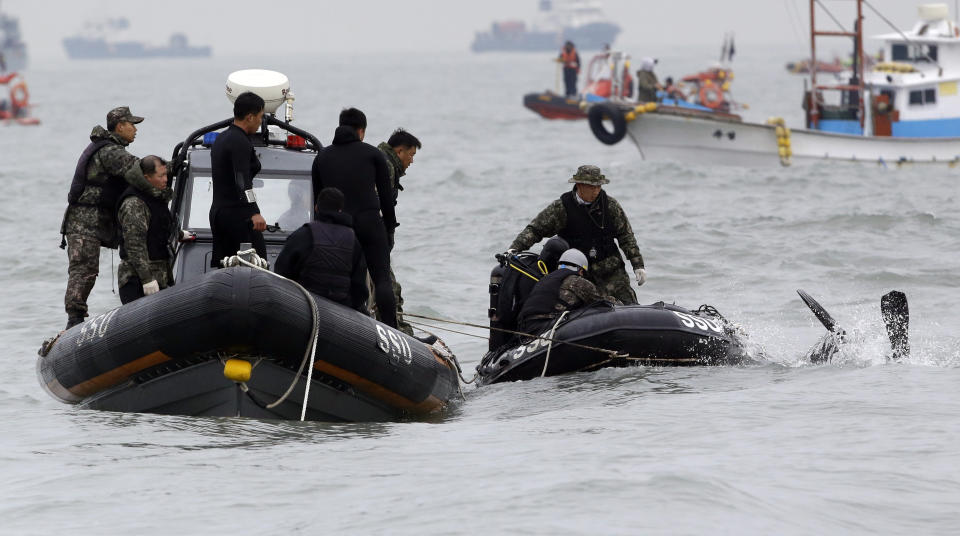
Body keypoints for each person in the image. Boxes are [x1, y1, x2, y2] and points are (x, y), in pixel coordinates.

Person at [60, 106, 164, 329]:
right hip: (84, 221)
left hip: (93, 219)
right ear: (120, 126)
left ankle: (76, 316)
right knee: (84, 269)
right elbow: (140, 170)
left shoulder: (108, 148)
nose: (135, 129)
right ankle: (74, 319)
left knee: (86, 268)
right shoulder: (110, 152)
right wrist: (168, 171)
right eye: (132, 124)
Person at [508, 165, 646, 305]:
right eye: (592, 187)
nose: (596, 190)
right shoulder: (561, 208)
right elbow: (535, 229)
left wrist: (638, 265)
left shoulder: (611, 206)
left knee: (630, 306)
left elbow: (626, 237)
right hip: (580, 275)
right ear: (580, 185)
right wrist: (515, 248)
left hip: (612, 273)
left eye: (599, 186)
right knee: (584, 312)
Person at [311, 107, 398, 328]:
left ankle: (346, 328)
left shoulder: (322, 157)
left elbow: (318, 202)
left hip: (338, 229)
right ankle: (394, 332)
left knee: (345, 281)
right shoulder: (373, 154)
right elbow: (387, 200)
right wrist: (388, 230)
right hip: (370, 223)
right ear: (361, 131)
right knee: (381, 280)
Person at [274, 187, 369, 312]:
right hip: (342, 310)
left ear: (316, 208)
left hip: (305, 308)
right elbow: (359, 287)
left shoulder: (303, 234)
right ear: (340, 210)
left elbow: (281, 271)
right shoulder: (353, 241)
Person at [209, 91, 267, 268]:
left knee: (225, 264)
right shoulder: (239, 141)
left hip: (219, 213)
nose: (260, 121)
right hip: (237, 215)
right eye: (260, 117)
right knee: (258, 262)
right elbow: (241, 179)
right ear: (250, 117)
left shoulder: (222, 138)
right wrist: (254, 211)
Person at [376, 128, 421, 335]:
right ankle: (398, 330)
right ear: (400, 151)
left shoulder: (382, 161)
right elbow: (378, 204)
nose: (411, 161)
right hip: (371, 236)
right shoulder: (386, 165)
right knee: (390, 286)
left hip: (369, 233)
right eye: (411, 155)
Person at [116, 155, 174, 304]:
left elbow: (159, 225)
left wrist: (178, 234)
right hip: (137, 280)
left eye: (166, 174)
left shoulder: (155, 197)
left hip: (160, 275)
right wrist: (147, 279)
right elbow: (134, 245)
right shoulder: (134, 204)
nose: (166, 180)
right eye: (160, 176)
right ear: (147, 177)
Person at [517, 249, 615, 336]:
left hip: (527, 327)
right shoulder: (577, 281)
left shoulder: (545, 280)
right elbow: (604, 302)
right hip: (547, 326)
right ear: (581, 271)